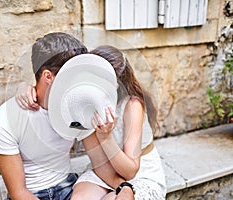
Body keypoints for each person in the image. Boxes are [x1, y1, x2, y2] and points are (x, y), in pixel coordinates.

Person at [0, 33, 132, 200]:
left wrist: (124, 187)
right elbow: (19, 192)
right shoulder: (7, 118)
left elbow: (100, 165)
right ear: (48, 76)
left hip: (67, 188)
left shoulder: (77, 107)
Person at [16, 45, 166, 199]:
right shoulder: (82, 102)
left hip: (139, 173)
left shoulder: (132, 106)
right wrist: (26, 88)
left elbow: (130, 171)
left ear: (115, 85)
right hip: (105, 169)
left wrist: (106, 139)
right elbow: (99, 163)